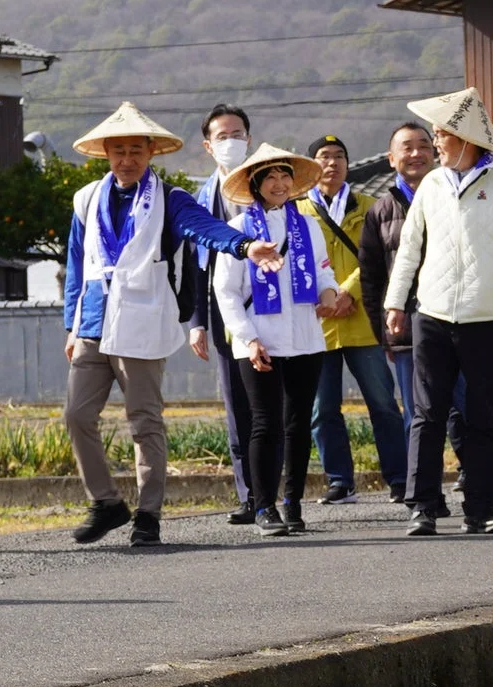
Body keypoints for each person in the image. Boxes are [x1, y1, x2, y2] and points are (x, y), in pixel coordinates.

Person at [61, 103, 281, 547]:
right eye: (118, 150)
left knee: (145, 421)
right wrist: (70, 323)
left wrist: (243, 245)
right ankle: (105, 501)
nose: (127, 159)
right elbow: (76, 263)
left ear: (150, 153)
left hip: (141, 321)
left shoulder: (170, 198)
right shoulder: (85, 199)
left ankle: (148, 513)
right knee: (77, 414)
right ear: (106, 153)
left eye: (135, 151)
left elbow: (205, 229)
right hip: (91, 322)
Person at [383, 87, 493, 537]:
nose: (435, 143)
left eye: (441, 134)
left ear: (467, 137)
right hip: (431, 314)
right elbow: (410, 248)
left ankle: (481, 508)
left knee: (483, 414)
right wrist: (396, 303)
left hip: (486, 316)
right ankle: (423, 506)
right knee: (427, 413)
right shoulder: (432, 183)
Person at [215, 145, 342, 536]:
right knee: (265, 424)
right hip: (260, 340)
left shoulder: (308, 226)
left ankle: (294, 503)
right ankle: (264, 506)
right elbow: (226, 291)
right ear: (254, 184)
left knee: (298, 424)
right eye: (270, 176)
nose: (280, 183)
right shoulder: (238, 232)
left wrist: (329, 294)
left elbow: (324, 274)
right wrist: (249, 339)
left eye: (285, 175)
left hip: (305, 337)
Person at [299, 134, 407, 506]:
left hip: (362, 320)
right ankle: (339, 481)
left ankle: (399, 478)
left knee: (383, 404)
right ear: (312, 165)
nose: (333, 163)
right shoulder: (299, 212)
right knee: (322, 409)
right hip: (319, 323)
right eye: (324, 157)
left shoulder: (370, 205)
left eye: (340, 156)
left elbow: (377, 259)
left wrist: (347, 292)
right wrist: (327, 297)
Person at [186, 104, 262, 524]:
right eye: (221, 136)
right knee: (237, 405)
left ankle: (279, 492)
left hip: (271, 308)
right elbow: (196, 267)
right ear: (208, 146)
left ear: (248, 139)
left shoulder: (269, 185)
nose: (230, 141)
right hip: (223, 313)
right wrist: (197, 322)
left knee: (276, 404)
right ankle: (249, 495)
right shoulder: (199, 199)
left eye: (237, 134)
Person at [357, 120, 434, 503]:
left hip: (455, 323)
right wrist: (383, 333)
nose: (416, 153)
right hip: (405, 330)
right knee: (416, 413)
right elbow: (371, 280)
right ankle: (421, 492)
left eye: (424, 145)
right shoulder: (380, 211)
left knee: (464, 410)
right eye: (407, 147)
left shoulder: (452, 199)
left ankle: (482, 487)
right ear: (392, 158)